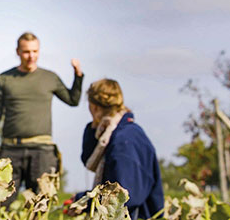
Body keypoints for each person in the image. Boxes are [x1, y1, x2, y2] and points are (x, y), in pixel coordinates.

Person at [0, 32, 83, 205]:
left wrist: (78, 76)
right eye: (26, 52)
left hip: (42, 151)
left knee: (41, 206)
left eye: (35, 51)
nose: (31, 56)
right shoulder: (4, 79)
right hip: (11, 150)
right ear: (18, 51)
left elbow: (73, 100)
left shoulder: (50, 78)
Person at [69, 79, 163, 219]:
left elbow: (123, 197)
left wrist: (84, 201)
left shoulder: (123, 141)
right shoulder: (121, 133)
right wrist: (94, 128)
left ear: (94, 108)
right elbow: (88, 157)